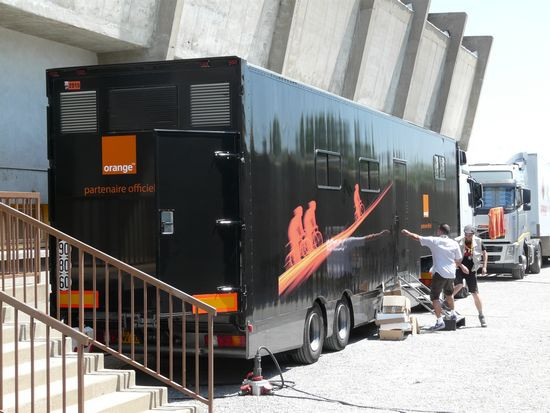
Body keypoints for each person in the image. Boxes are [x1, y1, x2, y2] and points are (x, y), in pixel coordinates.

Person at [401, 224, 469, 330]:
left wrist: (407, 233)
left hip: (440, 273)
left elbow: (417, 237)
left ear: (439, 231)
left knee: (435, 297)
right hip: (451, 273)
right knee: (449, 294)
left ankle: (440, 321)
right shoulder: (454, 243)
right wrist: (461, 266)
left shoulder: (435, 241)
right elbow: (459, 259)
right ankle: (452, 313)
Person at [453, 225, 488, 327]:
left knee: (475, 293)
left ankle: (481, 316)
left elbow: (485, 253)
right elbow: (452, 255)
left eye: (470, 234)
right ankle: (447, 302)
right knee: (459, 285)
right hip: (458, 267)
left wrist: (484, 267)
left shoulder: (478, 241)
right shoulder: (457, 241)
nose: (468, 236)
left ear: (473, 234)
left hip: (472, 269)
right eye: (466, 234)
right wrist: (461, 266)